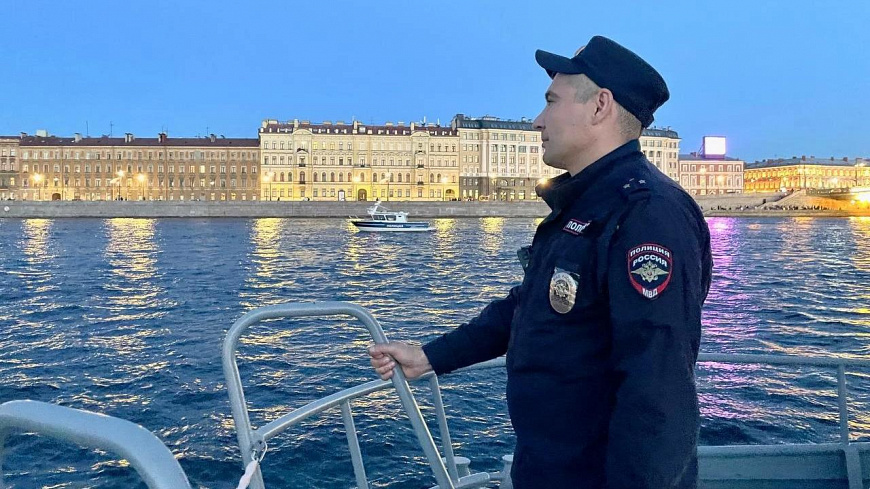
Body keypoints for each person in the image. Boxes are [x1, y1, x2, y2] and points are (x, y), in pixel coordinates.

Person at [369, 35, 713, 488]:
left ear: (599, 106)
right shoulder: (587, 202)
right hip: (550, 468)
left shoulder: (648, 214)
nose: (537, 120)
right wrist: (430, 356)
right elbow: (531, 303)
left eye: (551, 102)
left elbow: (658, 390)